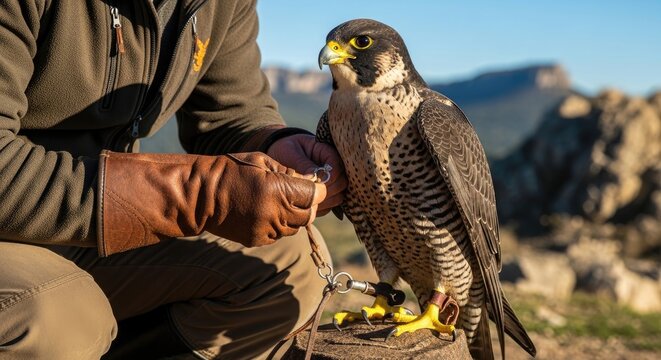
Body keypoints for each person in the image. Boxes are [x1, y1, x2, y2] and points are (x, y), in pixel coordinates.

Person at [0, 0, 347, 359]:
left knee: (294, 265)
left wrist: (273, 146)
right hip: (12, 221)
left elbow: (227, 112)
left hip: (91, 224)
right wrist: (200, 196)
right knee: (55, 319)